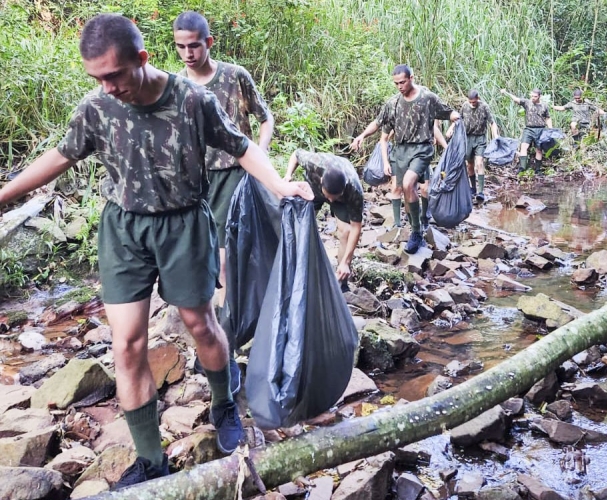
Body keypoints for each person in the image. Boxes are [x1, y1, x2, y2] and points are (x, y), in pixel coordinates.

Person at [0, 14, 312, 489]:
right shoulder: (96, 108)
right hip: (123, 229)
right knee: (127, 345)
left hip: (183, 224)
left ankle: (224, 401)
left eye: (114, 75)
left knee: (200, 324)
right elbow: (59, 157)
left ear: (141, 60)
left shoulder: (192, 100)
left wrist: (280, 184)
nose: (107, 88)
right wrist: (3, 195)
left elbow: (242, 145)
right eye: (97, 78)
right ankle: (152, 460)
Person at [173, 11, 274, 311]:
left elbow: (265, 119)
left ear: (209, 43)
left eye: (194, 46)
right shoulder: (177, 85)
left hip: (236, 172)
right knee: (208, 253)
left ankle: (228, 319)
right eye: (180, 46)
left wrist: (260, 152)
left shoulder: (234, 76)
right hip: (199, 180)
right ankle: (224, 312)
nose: (188, 54)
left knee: (226, 254)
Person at [351, 65, 459, 253]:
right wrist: (361, 136)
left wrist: (455, 117)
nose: (400, 86)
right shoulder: (393, 104)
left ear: (411, 78)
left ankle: (417, 232)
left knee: (410, 185)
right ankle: (415, 228)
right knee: (405, 194)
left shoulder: (427, 98)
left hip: (421, 149)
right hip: (401, 152)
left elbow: (447, 112)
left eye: (402, 82)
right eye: (396, 83)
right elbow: (377, 123)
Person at [283, 149, 364, 291]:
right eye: (329, 196)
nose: (330, 200)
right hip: (313, 190)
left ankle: (342, 282)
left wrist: (346, 261)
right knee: (301, 226)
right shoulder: (314, 163)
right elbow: (295, 154)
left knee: (345, 232)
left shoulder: (354, 189)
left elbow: (356, 228)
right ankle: (295, 271)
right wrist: (288, 176)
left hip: (343, 199)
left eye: (334, 196)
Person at [445, 90, 499, 203]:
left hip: (480, 138)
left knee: (479, 162)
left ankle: (481, 192)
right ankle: (473, 188)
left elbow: (492, 123)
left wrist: (495, 136)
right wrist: (450, 129)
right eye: (470, 102)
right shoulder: (465, 106)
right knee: (470, 164)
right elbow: (457, 120)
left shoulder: (484, 107)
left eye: (474, 102)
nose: (472, 104)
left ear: (478, 99)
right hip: (467, 138)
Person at [499, 88, 553, 174]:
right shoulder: (527, 102)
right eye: (531, 96)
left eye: (535, 96)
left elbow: (548, 118)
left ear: (539, 96)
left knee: (539, 149)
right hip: (529, 129)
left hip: (541, 129)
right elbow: (516, 99)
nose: (533, 98)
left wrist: (550, 129)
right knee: (523, 146)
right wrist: (506, 93)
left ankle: (538, 169)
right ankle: (522, 168)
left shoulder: (544, 106)